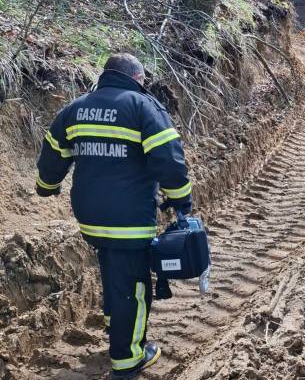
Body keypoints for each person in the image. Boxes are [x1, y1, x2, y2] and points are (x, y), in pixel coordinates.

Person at [35, 53, 192, 379]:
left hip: (90, 216)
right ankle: (128, 358)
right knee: (134, 286)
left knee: (112, 269)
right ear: (137, 78)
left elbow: (53, 153)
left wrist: (46, 186)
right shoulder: (143, 107)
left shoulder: (76, 109)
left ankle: (115, 323)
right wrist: (181, 200)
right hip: (129, 219)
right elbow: (168, 160)